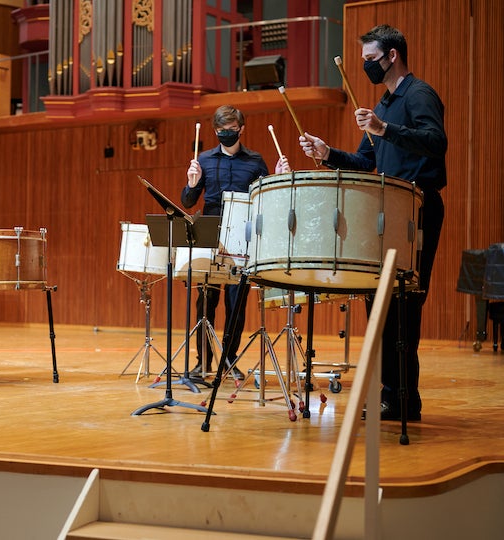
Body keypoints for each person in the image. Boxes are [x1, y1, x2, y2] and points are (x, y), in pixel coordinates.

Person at [298, 25, 447, 421]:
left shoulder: (419, 94)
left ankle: (403, 398)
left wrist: (385, 130)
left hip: (416, 207)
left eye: (370, 60)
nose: (366, 66)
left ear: (392, 55)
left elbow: (436, 141)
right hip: (385, 210)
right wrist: (328, 153)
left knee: (405, 302)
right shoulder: (381, 106)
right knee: (378, 303)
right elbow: (367, 161)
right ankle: (391, 395)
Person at [182, 104, 290, 380]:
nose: (226, 134)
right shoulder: (203, 160)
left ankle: (229, 359)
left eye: (231, 130)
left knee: (236, 302)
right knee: (205, 301)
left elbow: (268, 200)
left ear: (241, 129)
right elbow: (187, 202)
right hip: (210, 235)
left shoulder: (255, 162)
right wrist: (192, 183)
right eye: (221, 130)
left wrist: (277, 178)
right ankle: (202, 362)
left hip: (242, 236)